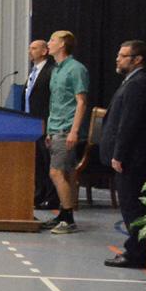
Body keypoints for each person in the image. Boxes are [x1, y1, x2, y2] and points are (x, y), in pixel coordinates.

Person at [100, 40, 146, 269]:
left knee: (132, 205)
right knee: (131, 205)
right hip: (134, 156)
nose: (117, 59)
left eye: (123, 55)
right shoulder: (134, 81)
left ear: (137, 60)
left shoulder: (140, 83)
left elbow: (130, 123)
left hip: (134, 158)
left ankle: (136, 253)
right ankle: (138, 249)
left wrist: (119, 154)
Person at [42, 30, 89, 234]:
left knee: (57, 172)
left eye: (52, 40)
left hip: (67, 128)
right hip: (55, 128)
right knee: (63, 173)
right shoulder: (56, 70)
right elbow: (55, 102)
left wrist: (74, 131)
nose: (49, 43)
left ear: (62, 44)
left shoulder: (76, 69)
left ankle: (69, 218)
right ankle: (62, 214)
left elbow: (81, 102)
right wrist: (49, 130)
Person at [21, 40, 59, 209]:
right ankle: (38, 194)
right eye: (29, 48)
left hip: (44, 123)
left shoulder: (51, 71)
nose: (30, 51)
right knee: (37, 162)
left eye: (34, 48)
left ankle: (51, 197)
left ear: (44, 51)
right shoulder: (33, 71)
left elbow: (51, 99)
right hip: (31, 123)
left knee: (46, 160)